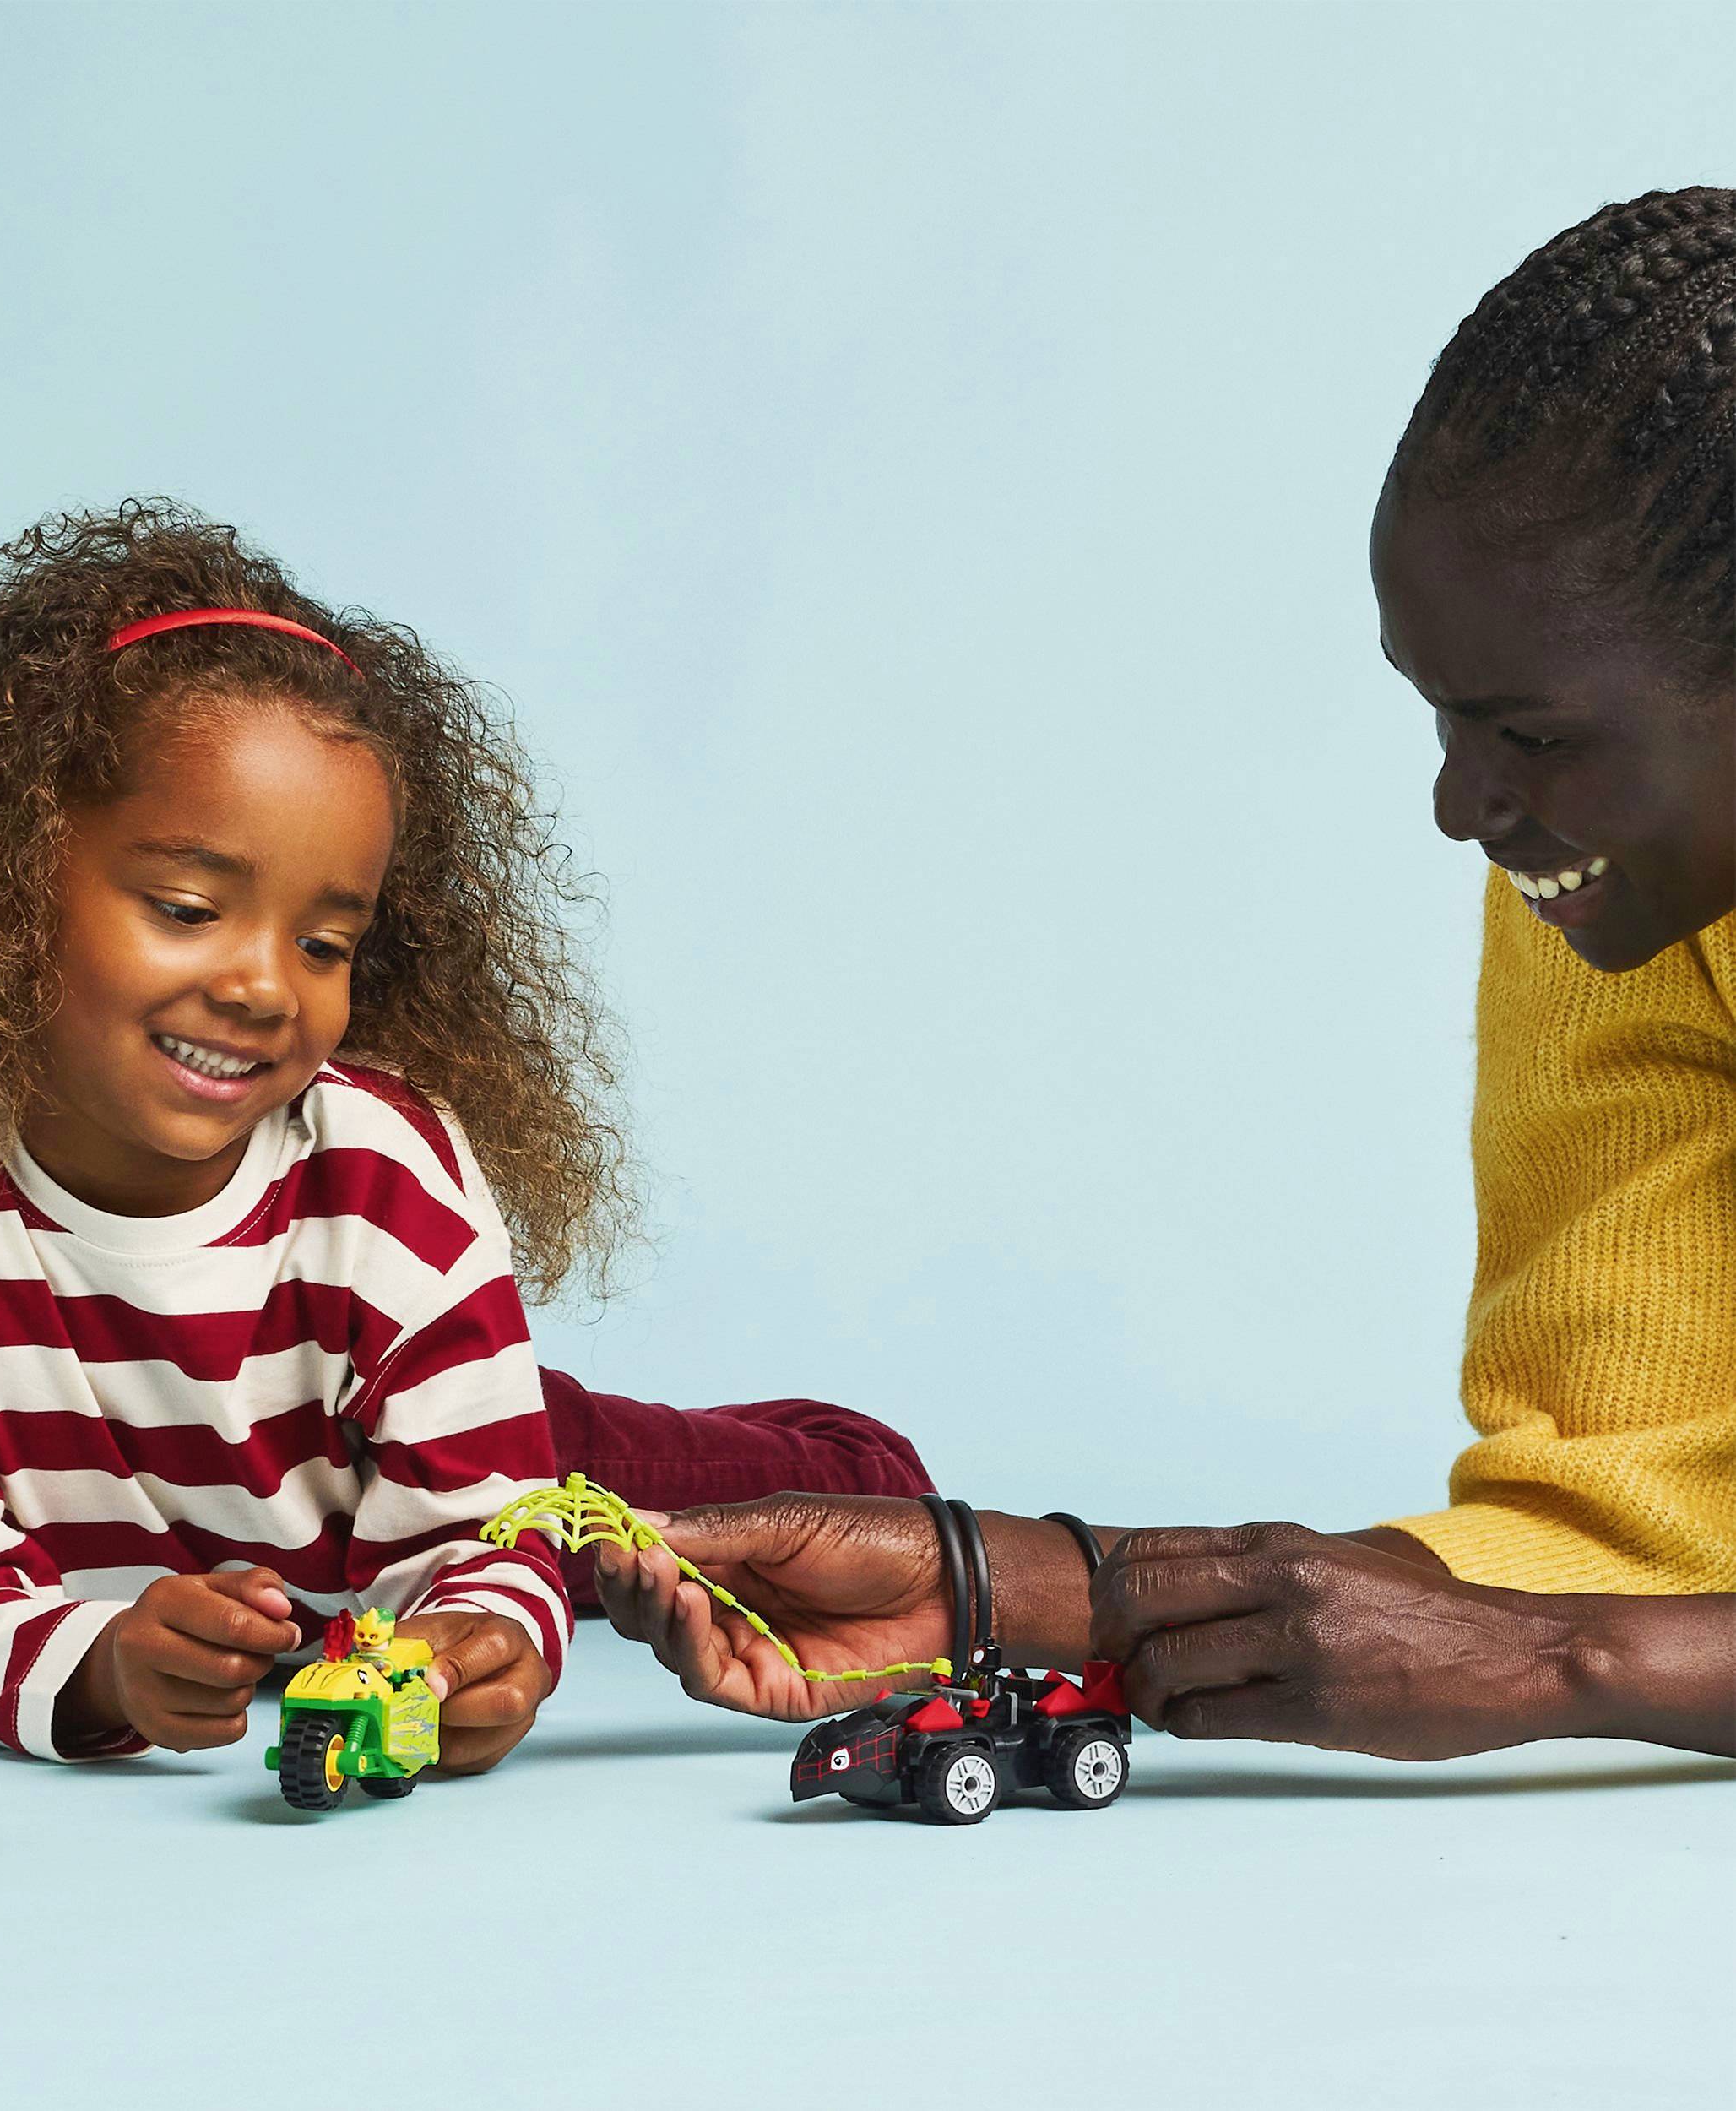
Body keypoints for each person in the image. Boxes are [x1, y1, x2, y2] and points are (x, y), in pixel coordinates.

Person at [595, 186, 1736, 1764]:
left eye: (1532, 736)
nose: (1459, 805)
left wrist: (1558, 1669)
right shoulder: (1616, 876)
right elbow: (1644, 1523)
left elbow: (1583, 1634)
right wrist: (1038, 1586)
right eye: (1437, 712)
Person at [0, 502, 933, 1766]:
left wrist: (490, 1639)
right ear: (2, 877)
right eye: (186, 906)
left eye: (324, 944)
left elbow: (481, 1561)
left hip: (382, 1440)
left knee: (793, 1502)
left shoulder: (389, 1182)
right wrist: (103, 1667)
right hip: (119, 1463)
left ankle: (778, 1464)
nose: (267, 986)